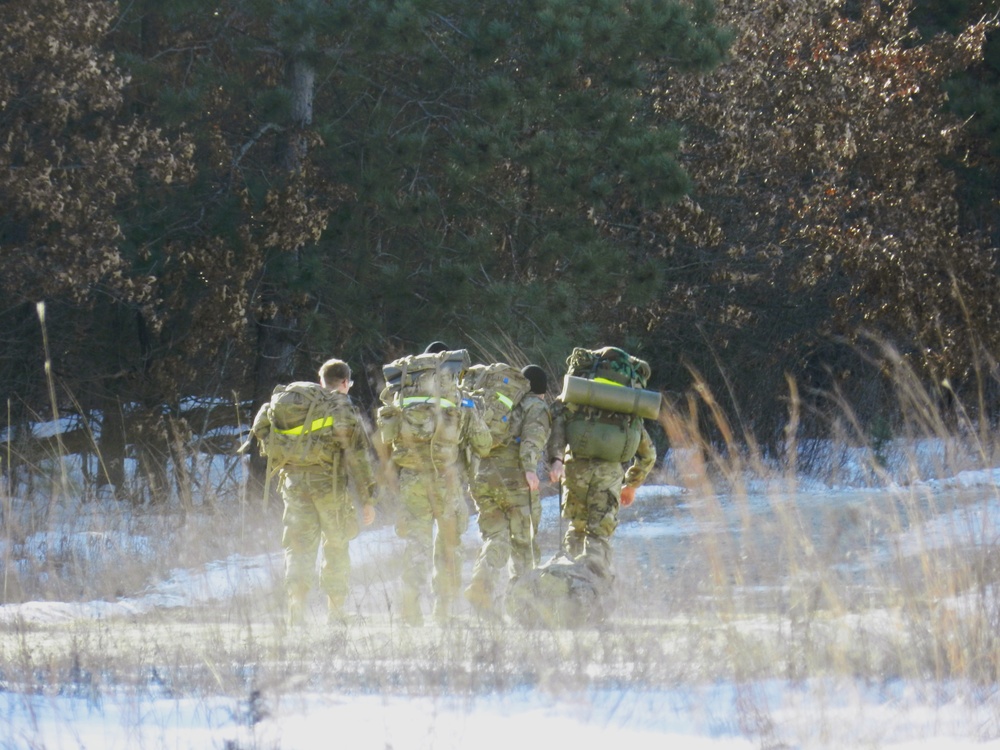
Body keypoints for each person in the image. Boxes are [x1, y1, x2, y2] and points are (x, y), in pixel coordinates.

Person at [248, 358, 377, 627]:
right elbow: (360, 460)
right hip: (329, 489)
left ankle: (296, 611)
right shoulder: (344, 409)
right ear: (344, 383)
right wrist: (367, 500)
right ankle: (336, 613)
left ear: (321, 381)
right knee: (337, 545)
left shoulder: (295, 404)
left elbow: (261, 429)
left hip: (294, 487)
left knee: (298, 547)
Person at [377, 344, 493, 625]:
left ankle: (410, 608)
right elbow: (484, 444)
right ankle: (443, 610)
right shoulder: (458, 399)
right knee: (448, 546)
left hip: (412, 479)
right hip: (446, 479)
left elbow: (386, 437)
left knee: (417, 542)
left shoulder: (402, 397)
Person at [546, 350, 657, 579]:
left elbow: (557, 426)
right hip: (608, 475)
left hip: (575, 470)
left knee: (576, 529)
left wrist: (557, 460)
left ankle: (565, 582)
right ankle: (594, 585)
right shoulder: (628, 410)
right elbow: (648, 455)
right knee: (599, 534)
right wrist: (631, 485)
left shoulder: (578, 399)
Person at [465, 364, 552, 617]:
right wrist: (529, 470)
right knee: (524, 543)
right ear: (542, 391)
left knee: (496, 538)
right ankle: (522, 606)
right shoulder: (536, 407)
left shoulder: (500, 402)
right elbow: (532, 440)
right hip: (514, 482)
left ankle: (481, 588)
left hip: (482, 477)